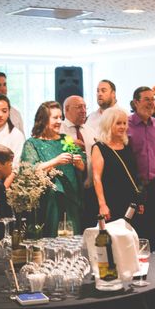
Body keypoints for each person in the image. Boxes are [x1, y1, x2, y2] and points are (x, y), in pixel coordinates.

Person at [20, 101, 85, 237]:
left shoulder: (65, 139)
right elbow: (29, 170)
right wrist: (56, 161)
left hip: (71, 198)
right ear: (43, 120)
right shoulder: (33, 143)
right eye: (55, 118)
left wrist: (78, 162)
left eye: (60, 117)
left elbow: (83, 165)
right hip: (49, 201)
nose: (59, 121)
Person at [127, 86, 155, 253]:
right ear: (136, 102)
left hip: (154, 186)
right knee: (136, 230)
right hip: (134, 187)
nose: (151, 103)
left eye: (153, 100)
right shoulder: (126, 125)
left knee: (154, 228)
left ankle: (153, 269)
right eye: (147, 100)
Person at [92, 108, 141, 222]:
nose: (123, 127)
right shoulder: (99, 147)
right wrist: (102, 205)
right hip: (110, 201)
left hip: (130, 203)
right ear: (108, 124)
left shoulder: (127, 145)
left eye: (124, 123)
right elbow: (96, 178)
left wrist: (139, 201)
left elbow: (133, 174)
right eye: (118, 123)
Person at [60, 95, 97, 230]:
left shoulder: (91, 131)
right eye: (79, 107)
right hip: (69, 192)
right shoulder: (59, 130)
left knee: (89, 229)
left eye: (85, 107)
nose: (83, 111)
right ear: (67, 109)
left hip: (90, 191)